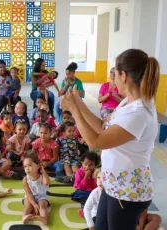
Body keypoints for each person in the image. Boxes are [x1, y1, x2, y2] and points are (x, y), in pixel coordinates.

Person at [61, 49, 159, 229]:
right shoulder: (128, 102)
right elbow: (103, 128)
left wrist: (73, 110)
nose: (112, 80)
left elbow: (96, 142)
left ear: (124, 76)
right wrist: (79, 104)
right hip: (113, 183)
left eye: (114, 74)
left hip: (128, 191)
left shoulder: (138, 113)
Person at [22, 153, 51, 225]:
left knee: (42, 206)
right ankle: (24, 217)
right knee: (28, 206)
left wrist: (43, 172)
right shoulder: (25, 179)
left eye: (29, 165)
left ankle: (44, 218)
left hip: (41, 196)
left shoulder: (42, 176)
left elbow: (47, 182)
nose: (27, 168)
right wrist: (34, 204)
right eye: (25, 166)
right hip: (30, 197)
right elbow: (28, 194)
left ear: (38, 166)